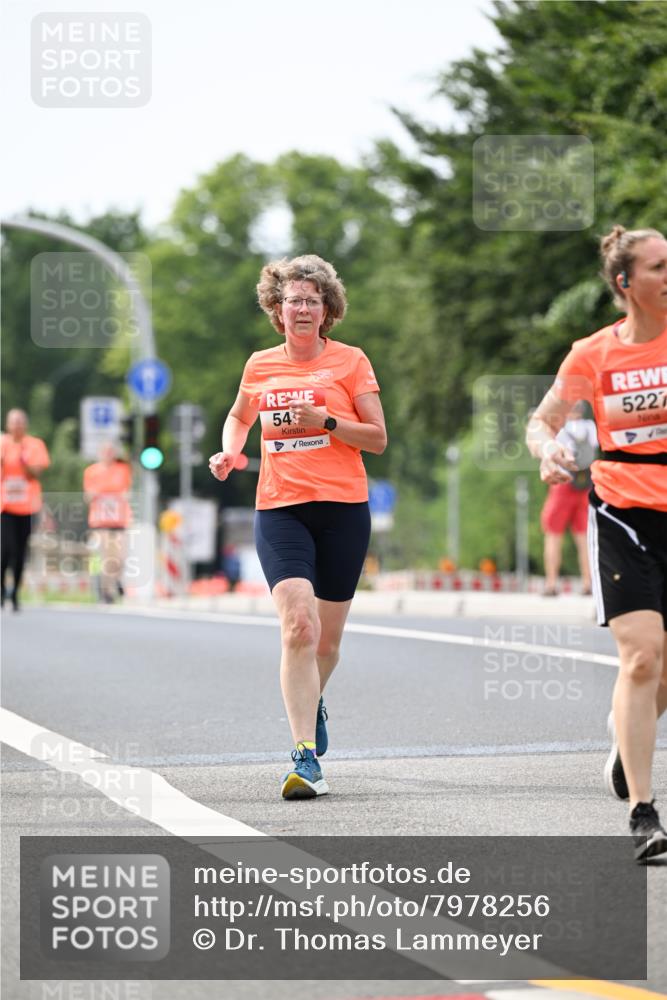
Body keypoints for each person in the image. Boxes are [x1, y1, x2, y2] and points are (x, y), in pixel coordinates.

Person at [209, 254, 386, 800]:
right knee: (299, 629)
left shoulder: (352, 362)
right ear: (277, 309)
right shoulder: (260, 365)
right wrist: (228, 451)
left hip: (342, 509)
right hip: (280, 508)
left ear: (327, 309)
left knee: (327, 642)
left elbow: (377, 438)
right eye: (293, 300)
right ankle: (305, 758)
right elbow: (241, 415)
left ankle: (316, 699)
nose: (302, 308)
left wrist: (328, 422)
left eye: (312, 299)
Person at [527, 225, 667, 862]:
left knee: (662, 669)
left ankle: (624, 736)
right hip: (622, 515)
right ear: (625, 283)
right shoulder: (593, 354)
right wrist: (548, 450)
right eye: (659, 267)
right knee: (641, 658)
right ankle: (644, 814)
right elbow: (543, 419)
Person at [540, 401, 598, 595]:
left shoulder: (561, 429)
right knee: (584, 537)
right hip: (585, 485)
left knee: (553, 534)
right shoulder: (591, 428)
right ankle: (587, 582)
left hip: (563, 484)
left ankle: (551, 583)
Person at [1, 409, 50, 611]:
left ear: (25, 425)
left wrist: (24, 462)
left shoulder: (35, 445)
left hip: (28, 507)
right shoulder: (2, 443)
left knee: (21, 552)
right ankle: (2, 587)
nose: (17, 426)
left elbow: (36, 473)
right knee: (5, 549)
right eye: (14, 422)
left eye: (20, 422)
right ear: (7, 424)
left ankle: (15, 594)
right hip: (4, 507)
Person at [83, 441, 132, 603]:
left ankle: (116, 581)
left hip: (119, 520)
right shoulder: (91, 472)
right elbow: (88, 496)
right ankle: (107, 592)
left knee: (120, 558)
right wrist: (100, 495)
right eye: (105, 451)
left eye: (111, 451)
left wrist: (118, 497)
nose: (108, 454)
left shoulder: (123, 470)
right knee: (106, 558)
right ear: (100, 453)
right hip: (100, 521)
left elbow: (127, 492)